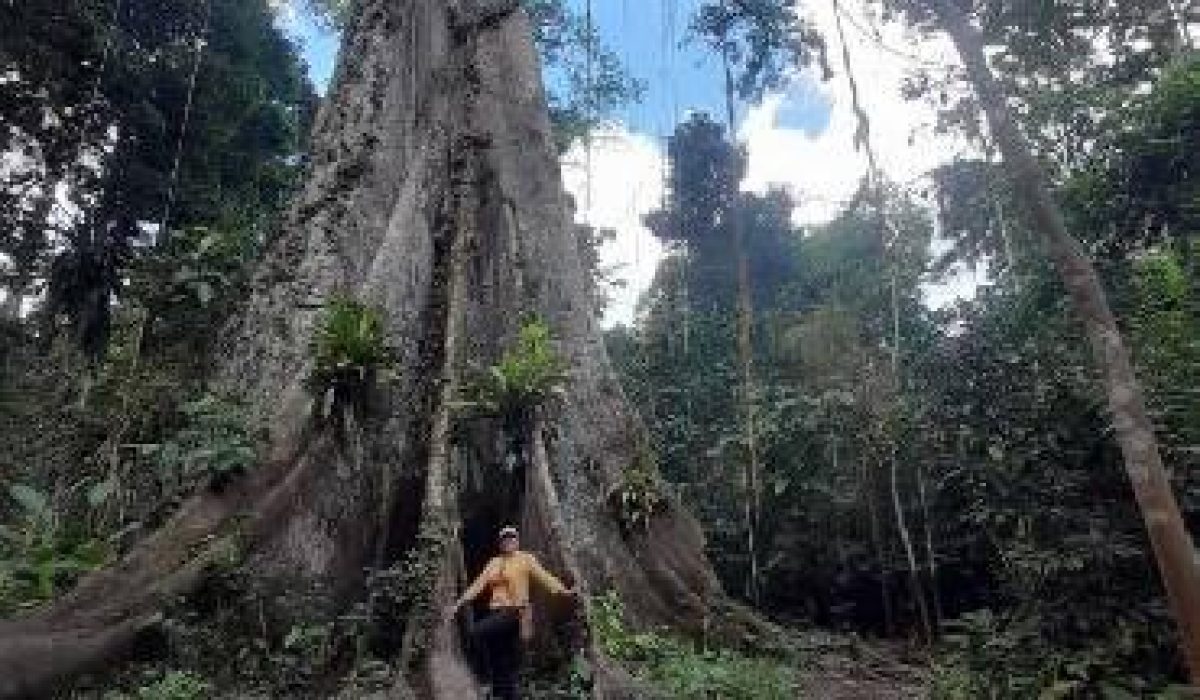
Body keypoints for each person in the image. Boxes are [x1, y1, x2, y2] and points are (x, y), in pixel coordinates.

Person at [446, 525, 575, 700]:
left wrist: (564, 591)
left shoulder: (526, 559)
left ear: (517, 540)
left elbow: (544, 577)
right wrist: (459, 603)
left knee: (476, 633)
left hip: (515, 612)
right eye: (505, 538)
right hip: (496, 612)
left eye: (512, 538)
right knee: (501, 658)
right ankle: (504, 694)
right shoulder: (493, 563)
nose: (509, 541)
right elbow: (478, 585)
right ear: (500, 543)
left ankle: (482, 676)